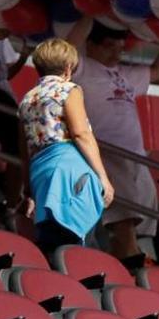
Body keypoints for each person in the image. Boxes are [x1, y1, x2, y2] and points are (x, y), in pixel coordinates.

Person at [67, 18, 159, 262]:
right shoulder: (81, 68)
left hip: (137, 156)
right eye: (108, 46)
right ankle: (132, 260)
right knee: (123, 216)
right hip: (106, 152)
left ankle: (127, 259)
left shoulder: (124, 74)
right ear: (91, 45)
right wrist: (89, 15)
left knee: (143, 214)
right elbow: (67, 50)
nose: (116, 52)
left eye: (120, 47)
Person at [17, 38, 115, 257]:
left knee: (52, 242)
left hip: (40, 172)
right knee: (80, 241)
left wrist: (28, 191)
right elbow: (81, 134)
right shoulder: (68, 89)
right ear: (69, 67)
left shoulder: (26, 100)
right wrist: (103, 177)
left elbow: (24, 152)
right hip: (69, 171)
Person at [0, 22, 32, 223]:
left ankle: (11, 207)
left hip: (4, 96)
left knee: (18, 151)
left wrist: (24, 56)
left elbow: (5, 73)